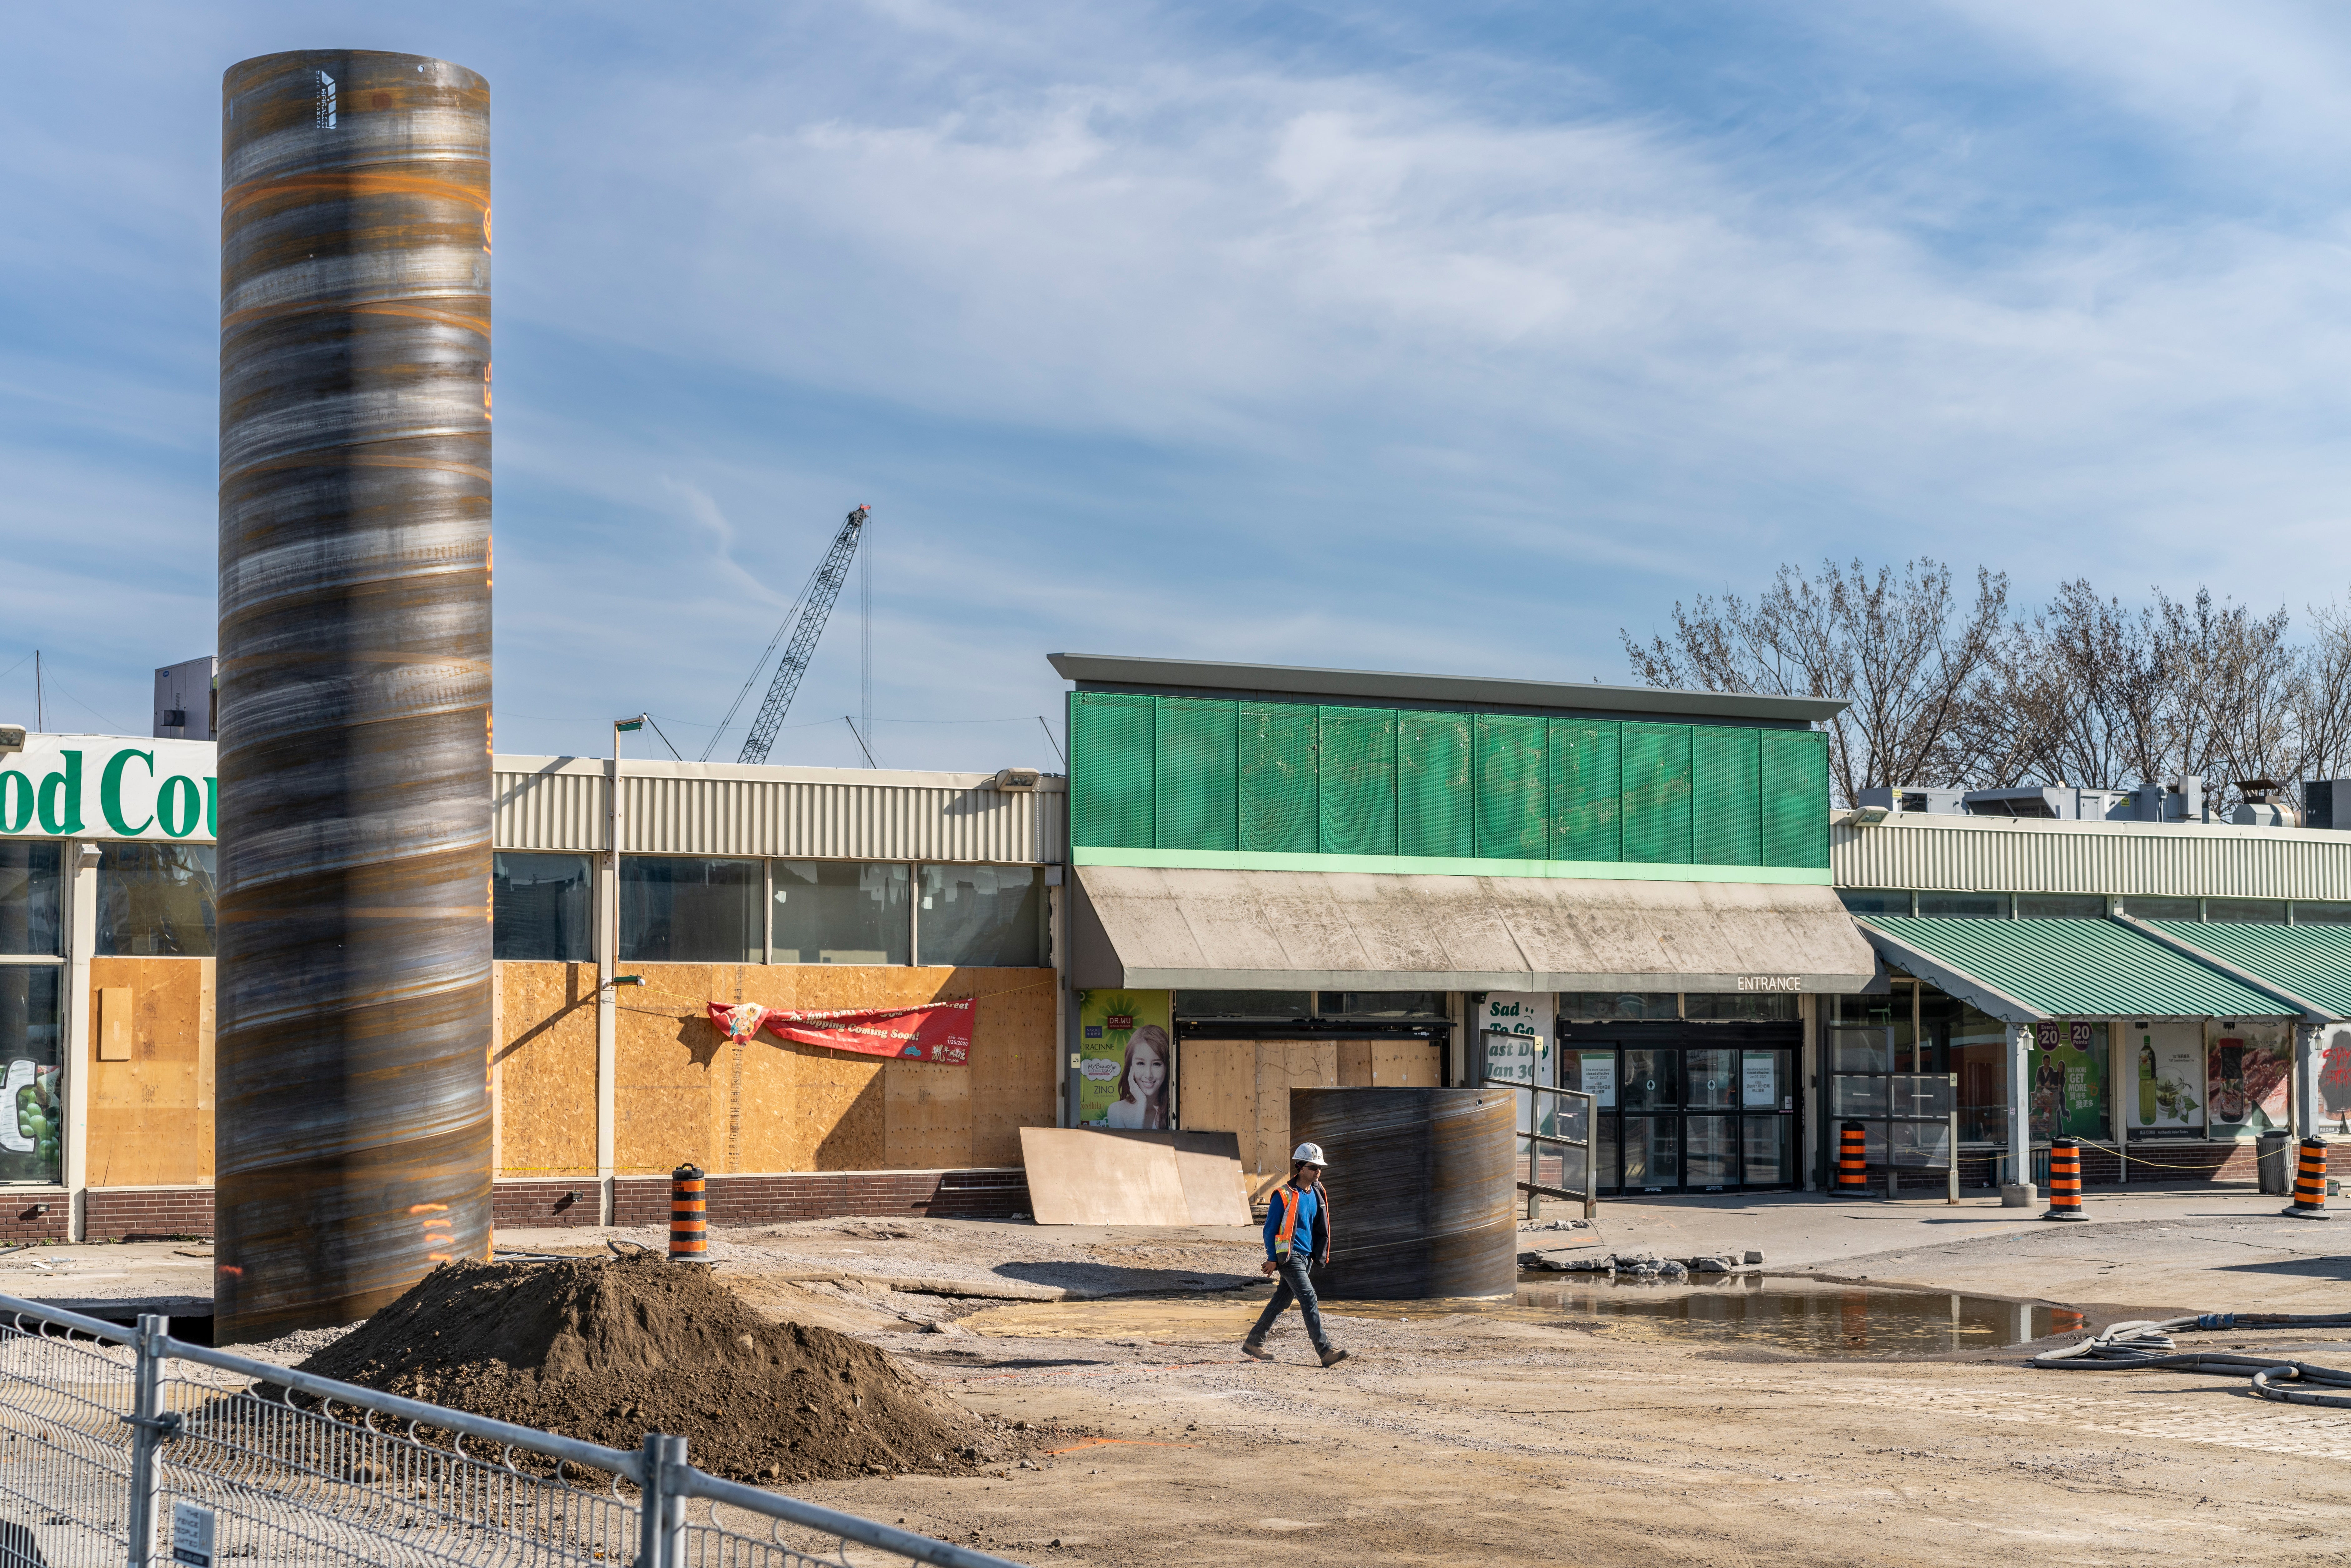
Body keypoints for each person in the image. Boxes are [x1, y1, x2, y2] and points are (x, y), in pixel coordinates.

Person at [1243, 1143, 1348, 1367]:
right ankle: (1325, 1351)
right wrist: (1272, 1257)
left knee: (1281, 1302)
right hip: (1289, 1257)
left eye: (1320, 1167)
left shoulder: (1317, 1191)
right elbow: (1270, 1229)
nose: (1318, 1171)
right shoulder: (1283, 1195)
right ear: (1300, 1167)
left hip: (1306, 1258)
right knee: (1309, 1298)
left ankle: (1254, 1342)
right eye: (1313, 1167)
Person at [1102, 1026, 1171, 1128]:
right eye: (1141, 1063)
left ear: (1167, 1067)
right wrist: (1141, 1104)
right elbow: (1133, 1145)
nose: (1148, 1075)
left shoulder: (1174, 1112)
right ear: (1131, 1066)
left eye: (1156, 1064)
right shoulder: (1117, 1111)